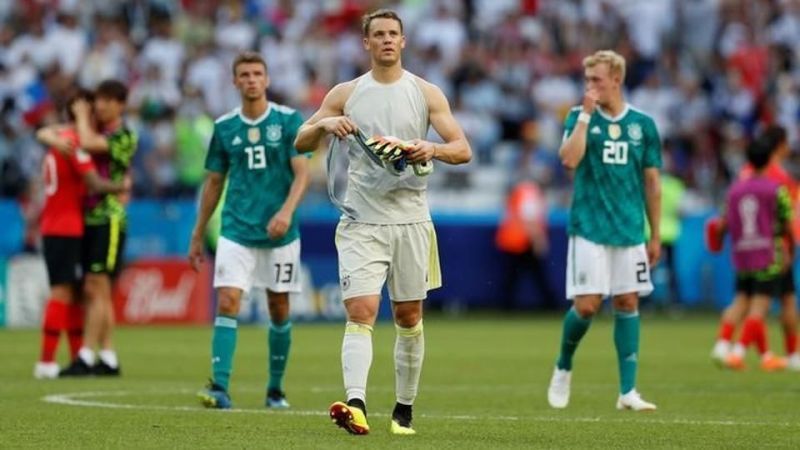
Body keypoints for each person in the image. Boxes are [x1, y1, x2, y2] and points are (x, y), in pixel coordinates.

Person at [294, 9, 471, 436]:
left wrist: (429, 149)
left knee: (409, 317)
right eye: (379, 34)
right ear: (366, 43)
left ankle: (403, 409)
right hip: (361, 220)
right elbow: (300, 140)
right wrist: (325, 123)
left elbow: (462, 148)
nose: (387, 40)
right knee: (361, 310)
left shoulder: (426, 93)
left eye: (394, 33)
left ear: (403, 41)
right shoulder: (346, 92)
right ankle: (355, 404)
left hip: (411, 220)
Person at [190, 51, 309, 410]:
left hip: (280, 233)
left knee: (279, 307)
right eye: (245, 74)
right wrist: (198, 233)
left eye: (258, 73)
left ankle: (275, 390)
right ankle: (219, 386)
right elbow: (213, 182)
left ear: (267, 79)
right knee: (228, 301)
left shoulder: (289, 121)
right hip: (236, 229)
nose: (252, 79)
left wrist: (286, 212)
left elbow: (302, 173)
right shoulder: (225, 127)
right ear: (235, 81)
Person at [546, 50, 661, 411]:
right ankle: (563, 366)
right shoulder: (579, 117)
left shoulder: (643, 125)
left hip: (628, 229)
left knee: (628, 302)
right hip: (589, 226)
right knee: (587, 306)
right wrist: (583, 118)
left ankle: (627, 391)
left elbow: (652, 183)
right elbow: (568, 160)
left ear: (617, 79)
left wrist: (654, 234)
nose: (591, 86)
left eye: (597, 79)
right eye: (587, 80)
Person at [33, 90, 125, 379]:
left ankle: (76, 357)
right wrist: (121, 186)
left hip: (56, 223)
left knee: (73, 293)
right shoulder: (74, 144)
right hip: (67, 226)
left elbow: (44, 133)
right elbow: (94, 183)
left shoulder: (57, 141)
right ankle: (46, 361)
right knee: (63, 290)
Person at [58, 80, 137, 376]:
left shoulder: (125, 135)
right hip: (88, 217)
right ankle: (108, 355)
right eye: (98, 101)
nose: (100, 106)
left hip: (110, 217)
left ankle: (86, 355)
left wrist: (80, 117)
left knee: (97, 285)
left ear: (120, 104)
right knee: (96, 290)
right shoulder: (94, 129)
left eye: (106, 101)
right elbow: (56, 134)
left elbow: (87, 144)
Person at [710, 126, 796, 371]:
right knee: (765, 304)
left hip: (742, 252)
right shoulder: (777, 184)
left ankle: (724, 345)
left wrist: (720, 239)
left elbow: (724, 220)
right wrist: (790, 245)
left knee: (740, 300)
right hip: (769, 252)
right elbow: (788, 219)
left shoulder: (736, 187)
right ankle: (739, 351)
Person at [495, 176, 558, 310]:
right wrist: (538, 240)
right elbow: (529, 218)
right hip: (521, 241)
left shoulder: (523, 190)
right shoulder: (530, 192)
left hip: (513, 239)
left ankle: (506, 305)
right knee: (533, 275)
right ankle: (550, 305)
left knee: (514, 276)